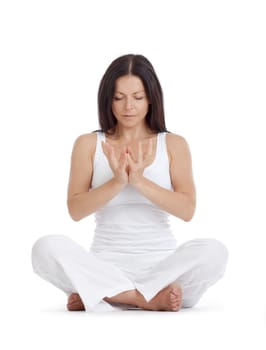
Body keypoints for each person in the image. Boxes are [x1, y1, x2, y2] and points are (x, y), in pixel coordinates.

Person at [31, 54, 228, 312]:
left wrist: (138, 180)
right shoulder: (88, 144)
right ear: (107, 99)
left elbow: (187, 210)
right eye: (119, 97)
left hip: (163, 268)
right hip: (103, 265)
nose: (128, 107)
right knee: (44, 247)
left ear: (151, 98)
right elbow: (75, 210)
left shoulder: (173, 144)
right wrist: (117, 182)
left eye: (137, 97)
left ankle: (104, 294)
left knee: (215, 252)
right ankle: (141, 298)